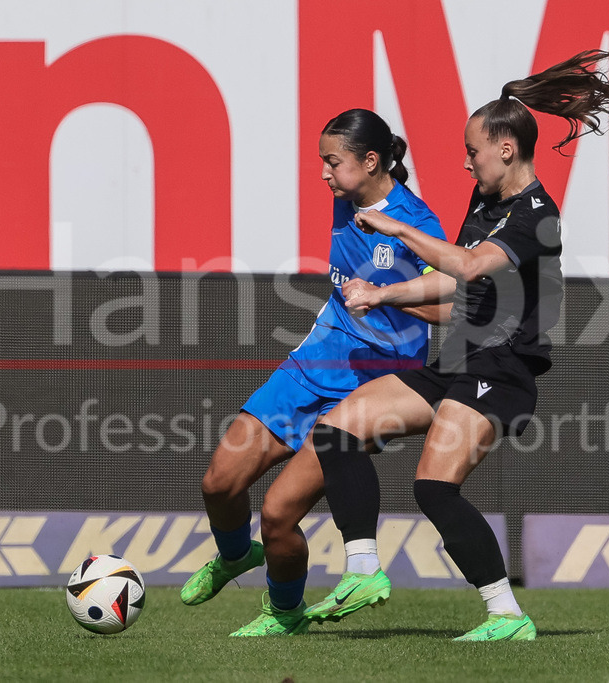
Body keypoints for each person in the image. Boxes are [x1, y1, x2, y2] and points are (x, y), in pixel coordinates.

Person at [303, 49, 609, 641]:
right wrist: (386, 294)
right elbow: (455, 282)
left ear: (505, 149)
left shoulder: (538, 214)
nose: (466, 162)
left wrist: (398, 227)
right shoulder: (488, 203)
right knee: (337, 430)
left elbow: (469, 264)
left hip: (501, 370)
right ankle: (362, 570)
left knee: (433, 487)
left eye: (472, 151)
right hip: (457, 361)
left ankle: (507, 615)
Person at [181, 108, 447, 637]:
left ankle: (284, 613)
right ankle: (235, 557)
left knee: (279, 516)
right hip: (310, 366)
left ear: (371, 162)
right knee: (218, 483)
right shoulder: (347, 197)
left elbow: (454, 308)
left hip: (371, 390)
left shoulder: (419, 226)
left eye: (333, 162)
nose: (324, 174)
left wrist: (385, 297)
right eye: (322, 161)